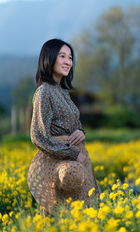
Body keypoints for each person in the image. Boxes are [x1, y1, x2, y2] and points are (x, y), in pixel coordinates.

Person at [28, 38, 101, 217]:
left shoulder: (63, 92)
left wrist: (80, 132)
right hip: (60, 164)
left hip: (77, 161)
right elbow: (39, 136)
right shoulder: (44, 92)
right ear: (49, 57)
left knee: (80, 217)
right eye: (62, 56)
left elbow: (72, 125)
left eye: (70, 57)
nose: (68, 61)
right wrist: (73, 153)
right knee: (59, 217)